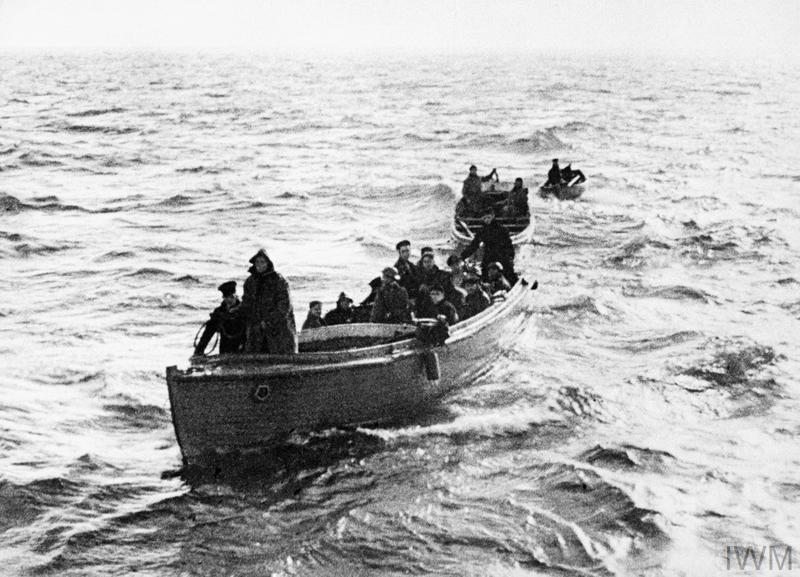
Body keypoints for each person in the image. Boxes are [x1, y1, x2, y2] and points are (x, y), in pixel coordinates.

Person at [240, 248, 298, 354]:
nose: (259, 265)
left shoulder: (279, 281)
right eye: (257, 262)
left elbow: (284, 307)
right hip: (256, 332)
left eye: (262, 262)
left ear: (268, 263)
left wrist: (268, 322)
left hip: (278, 331)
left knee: (281, 358)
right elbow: (246, 303)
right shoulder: (250, 282)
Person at [460, 210, 517, 285]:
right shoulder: (482, 230)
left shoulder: (502, 229)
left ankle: (513, 284)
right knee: (485, 274)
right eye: (484, 218)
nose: (487, 220)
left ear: (493, 216)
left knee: (509, 272)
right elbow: (474, 245)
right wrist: (463, 256)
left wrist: (510, 257)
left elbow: (509, 245)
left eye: (488, 217)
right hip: (489, 255)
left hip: (502, 255)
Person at [193, 281, 246, 356]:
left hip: (242, 347)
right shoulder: (219, 312)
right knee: (211, 324)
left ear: (236, 296)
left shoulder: (243, 310)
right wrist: (199, 351)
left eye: (231, 297)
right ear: (223, 298)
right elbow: (208, 331)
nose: (229, 300)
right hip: (225, 348)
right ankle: (198, 352)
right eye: (226, 297)